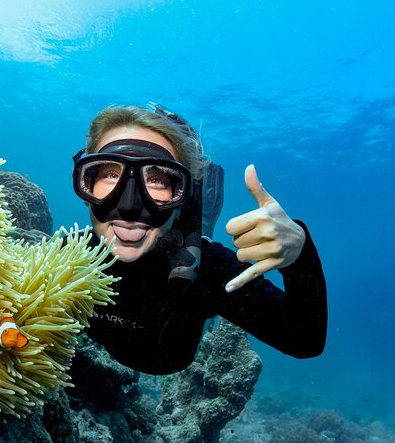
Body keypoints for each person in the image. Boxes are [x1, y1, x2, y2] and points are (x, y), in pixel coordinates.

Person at [72, 104, 327, 375]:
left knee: (197, 240)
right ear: (86, 180)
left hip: (173, 359)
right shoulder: (66, 259)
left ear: (181, 194)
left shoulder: (208, 269)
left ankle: (202, 221)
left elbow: (305, 341)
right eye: (110, 174)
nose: (131, 206)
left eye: (157, 179)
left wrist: (300, 256)